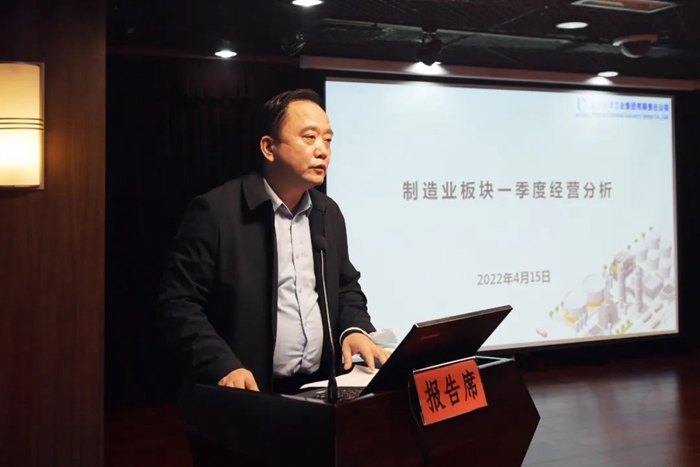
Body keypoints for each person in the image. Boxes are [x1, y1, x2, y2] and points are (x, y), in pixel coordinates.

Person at [157, 88, 390, 398]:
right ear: (269, 147)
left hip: (317, 389)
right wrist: (223, 365)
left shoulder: (327, 212)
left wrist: (354, 329)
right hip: (247, 393)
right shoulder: (216, 212)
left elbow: (345, 286)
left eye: (328, 140)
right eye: (310, 138)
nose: (322, 151)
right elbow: (179, 304)